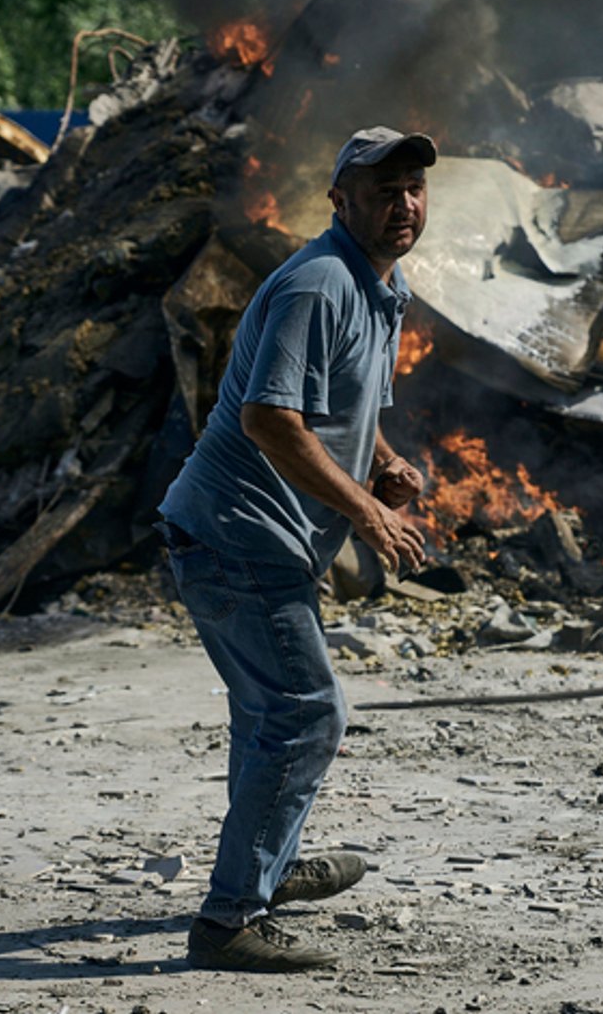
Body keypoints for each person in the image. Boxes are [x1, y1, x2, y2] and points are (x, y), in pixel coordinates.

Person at [157, 125, 435, 972]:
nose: (404, 204)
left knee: (265, 716)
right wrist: (365, 513)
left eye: (415, 188)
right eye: (384, 190)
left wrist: (384, 464)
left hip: (254, 540)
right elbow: (269, 418)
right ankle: (230, 917)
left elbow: (344, 405)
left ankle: (263, 874)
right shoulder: (318, 283)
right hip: (234, 535)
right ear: (339, 198)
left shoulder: (380, 289)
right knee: (306, 712)